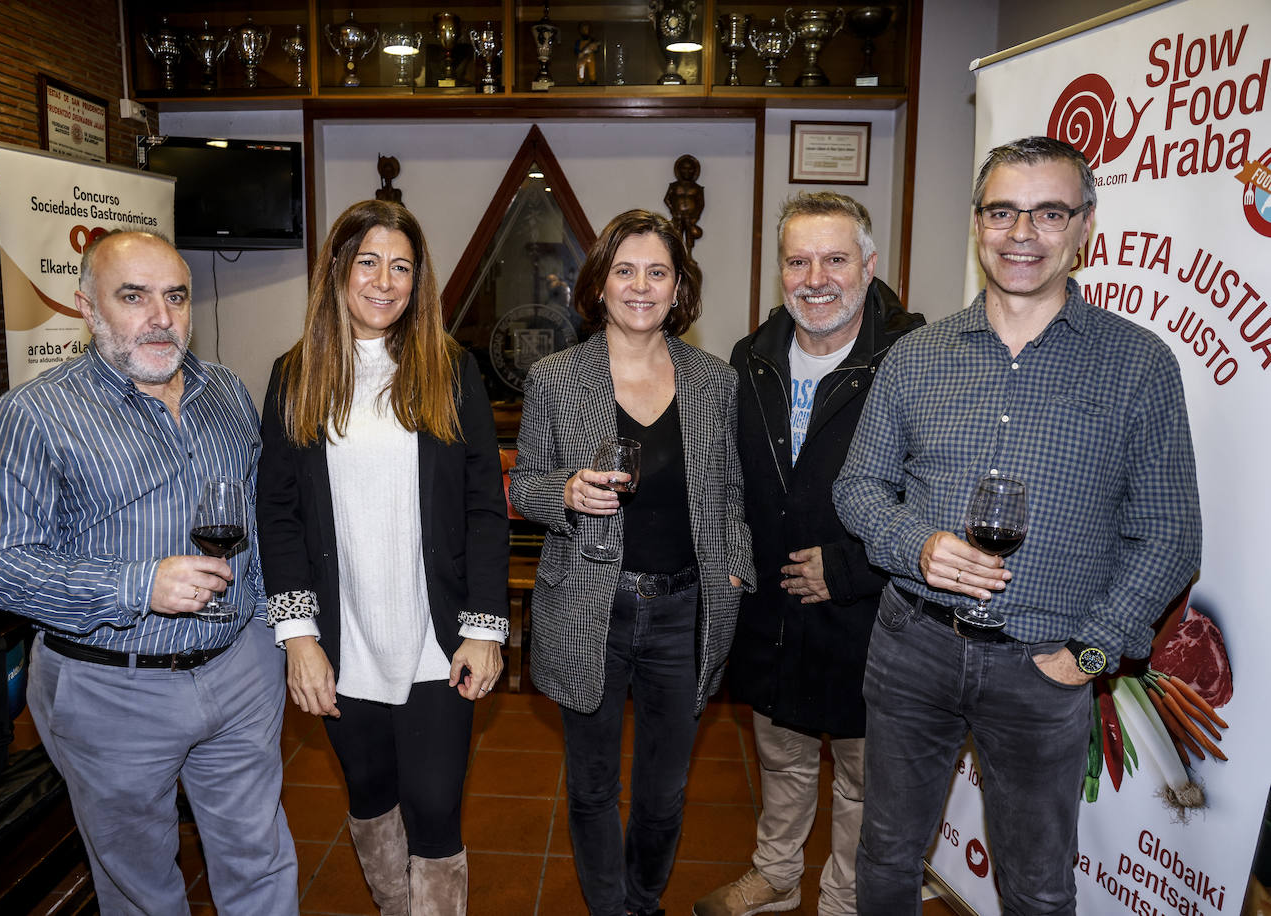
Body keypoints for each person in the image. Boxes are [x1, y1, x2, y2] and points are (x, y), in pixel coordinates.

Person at [833, 136, 1202, 913]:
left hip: (1044, 668)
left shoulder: (1138, 365)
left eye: (1048, 212)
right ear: (977, 224)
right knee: (888, 858)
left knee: (1037, 889)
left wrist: (1091, 652)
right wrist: (918, 545)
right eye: (1003, 211)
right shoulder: (916, 357)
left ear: (1084, 227)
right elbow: (859, 488)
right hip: (912, 650)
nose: (1022, 233)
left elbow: (1169, 532)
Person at [0, 230, 298, 915]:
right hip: (112, 687)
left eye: (175, 296)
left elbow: (263, 526)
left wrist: (279, 633)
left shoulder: (227, 393)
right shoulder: (30, 417)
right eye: (133, 296)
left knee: (260, 861)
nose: (161, 317)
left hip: (239, 671)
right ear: (88, 308)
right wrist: (135, 585)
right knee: (139, 886)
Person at [256, 200, 508, 916]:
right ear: (338, 270)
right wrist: (298, 638)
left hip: (436, 638)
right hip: (342, 638)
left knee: (433, 807)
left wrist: (485, 630)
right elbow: (277, 514)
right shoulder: (294, 374)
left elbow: (486, 507)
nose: (384, 280)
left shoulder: (452, 370)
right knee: (369, 798)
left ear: (417, 281)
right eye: (368, 261)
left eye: (401, 266)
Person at [509, 209, 755, 916]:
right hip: (591, 605)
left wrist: (735, 567)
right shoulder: (556, 378)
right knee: (590, 787)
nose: (641, 286)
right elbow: (524, 484)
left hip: (685, 610)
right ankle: (609, 909)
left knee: (664, 790)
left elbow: (734, 490)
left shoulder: (715, 383)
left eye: (658, 272)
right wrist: (565, 490)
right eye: (625, 270)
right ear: (599, 283)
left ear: (679, 289)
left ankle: (643, 900)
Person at [695, 193, 923, 916]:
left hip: (872, 610)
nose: (815, 278)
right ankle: (776, 874)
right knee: (782, 755)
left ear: (869, 265)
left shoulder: (913, 359)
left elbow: (935, 494)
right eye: (798, 260)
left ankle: (845, 899)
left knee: (864, 776)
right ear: (780, 272)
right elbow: (734, 478)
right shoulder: (751, 357)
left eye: (835, 259)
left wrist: (851, 568)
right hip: (776, 610)